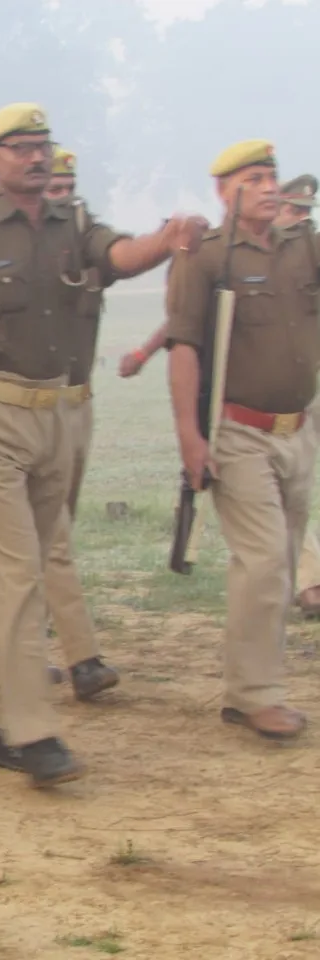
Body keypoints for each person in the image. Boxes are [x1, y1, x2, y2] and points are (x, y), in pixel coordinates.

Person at [0, 103, 202, 786]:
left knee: (31, 576)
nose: (36, 157)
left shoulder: (75, 224)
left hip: (61, 417)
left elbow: (121, 256)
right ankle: (33, 732)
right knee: (18, 576)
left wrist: (168, 239)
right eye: (20, 147)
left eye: (43, 146)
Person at [166, 141, 316, 740]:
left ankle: (251, 688)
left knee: (283, 559)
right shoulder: (206, 257)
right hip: (237, 431)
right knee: (263, 561)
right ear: (224, 191)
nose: (269, 186)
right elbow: (184, 348)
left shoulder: (303, 247)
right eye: (254, 178)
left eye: (272, 176)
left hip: (297, 430)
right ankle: (257, 696)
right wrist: (189, 437)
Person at [39, 147, 120, 699]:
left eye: (68, 187)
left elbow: (121, 259)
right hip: (36, 406)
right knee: (53, 536)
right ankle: (82, 656)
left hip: (80, 401)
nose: (62, 196)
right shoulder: (24, 253)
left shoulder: (91, 245)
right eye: (53, 187)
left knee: (53, 529)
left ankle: (18, 642)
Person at [266, 175, 320, 616]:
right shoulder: (258, 259)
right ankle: (306, 581)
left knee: (300, 491)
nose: (300, 219)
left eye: (306, 212)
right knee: (287, 490)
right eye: (293, 210)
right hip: (280, 392)